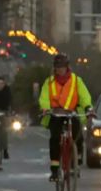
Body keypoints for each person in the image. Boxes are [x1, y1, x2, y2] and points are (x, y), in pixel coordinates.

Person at [39, 54, 92, 182]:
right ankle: (55, 169)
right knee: (55, 138)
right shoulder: (49, 82)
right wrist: (45, 108)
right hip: (55, 113)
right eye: (58, 67)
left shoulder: (76, 80)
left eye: (62, 67)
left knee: (77, 132)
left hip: (71, 112)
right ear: (54, 68)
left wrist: (88, 108)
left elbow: (84, 95)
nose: (60, 70)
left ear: (67, 67)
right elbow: (44, 97)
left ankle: (76, 160)